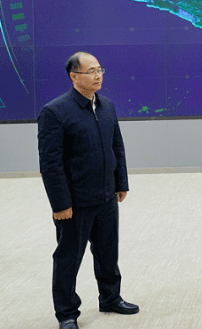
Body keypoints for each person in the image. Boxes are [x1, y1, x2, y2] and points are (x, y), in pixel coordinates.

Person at [38, 52, 139, 329]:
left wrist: (120, 183)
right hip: (75, 202)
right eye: (91, 71)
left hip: (106, 196)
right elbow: (50, 164)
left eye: (100, 70)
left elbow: (116, 147)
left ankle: (110, 298)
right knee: (68, 258)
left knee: (107, 252)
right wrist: (60, 204)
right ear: (74, 76)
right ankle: (67, 313)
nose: (98, 75)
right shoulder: (55, 111)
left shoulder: (107, 106)